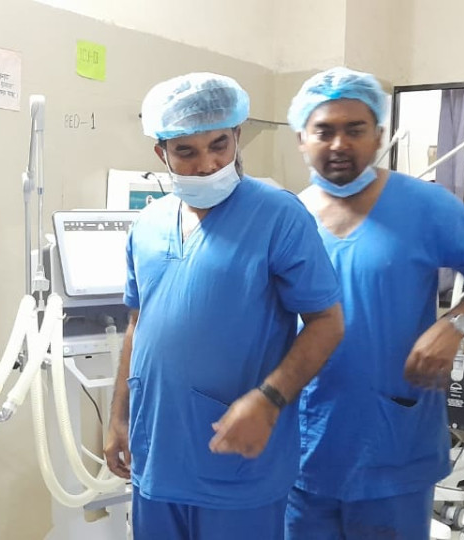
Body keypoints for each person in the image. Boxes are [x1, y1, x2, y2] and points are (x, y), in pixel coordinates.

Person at [103, 72, 345, 540]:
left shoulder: (278, 215)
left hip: (236, 466)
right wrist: (118, 418)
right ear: (162, 154)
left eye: (219, 145)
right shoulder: (147, 224)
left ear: (237, 135)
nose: (207, 164)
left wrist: (270, 399)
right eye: (186, 152)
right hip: (157, 458)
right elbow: (138, 323)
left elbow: (327, 322)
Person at [283, 67, 464, 539]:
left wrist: (454, 325)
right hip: (303, 444)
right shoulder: (287, 217)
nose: (339, 144)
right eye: (324, 131)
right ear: (301, 139)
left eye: (355, 129)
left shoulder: (426, 206)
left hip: (393, 439)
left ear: (378, 135)